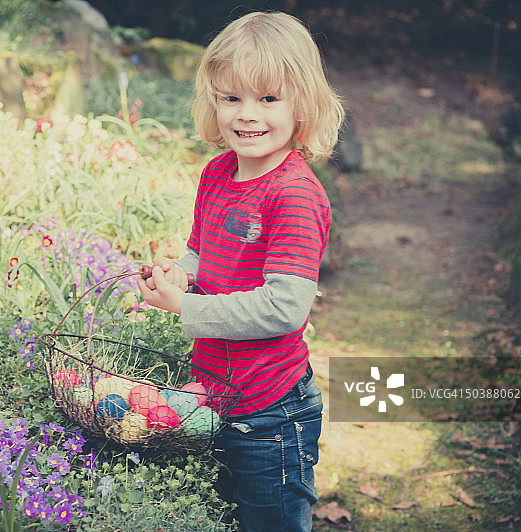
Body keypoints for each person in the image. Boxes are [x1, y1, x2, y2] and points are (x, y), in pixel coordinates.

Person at [137, 11, 345, 532]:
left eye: (268, 98)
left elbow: (284, 308)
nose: (247, 114)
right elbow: (202, 254)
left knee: (272, 521)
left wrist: (186, 307)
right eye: (231, 97)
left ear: (303, 105)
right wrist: (180, 274)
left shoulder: (294, 196)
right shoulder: (217, 175)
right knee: (224, 516)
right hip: (213, 389)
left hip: (271, 410)